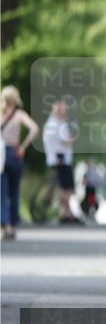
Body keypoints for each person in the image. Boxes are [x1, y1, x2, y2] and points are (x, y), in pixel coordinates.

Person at [2, 86, 40, 239]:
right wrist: (23, 146)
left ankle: (5, 226)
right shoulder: (19, 115)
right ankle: (13, 225)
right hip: (15, 153)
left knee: (2, 193)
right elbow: (34, 128)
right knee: (14, 191)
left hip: (2, 154)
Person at [42, 98, 79, 223]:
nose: (66, 112)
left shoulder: (55, 123)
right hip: (60, 160)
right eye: (63, 110)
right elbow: (65, 141)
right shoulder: (56, 124)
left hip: (60, 159)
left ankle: (66, 213)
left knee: (66, 188)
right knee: (67, 188)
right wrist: (73, 138)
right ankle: (66, 213)